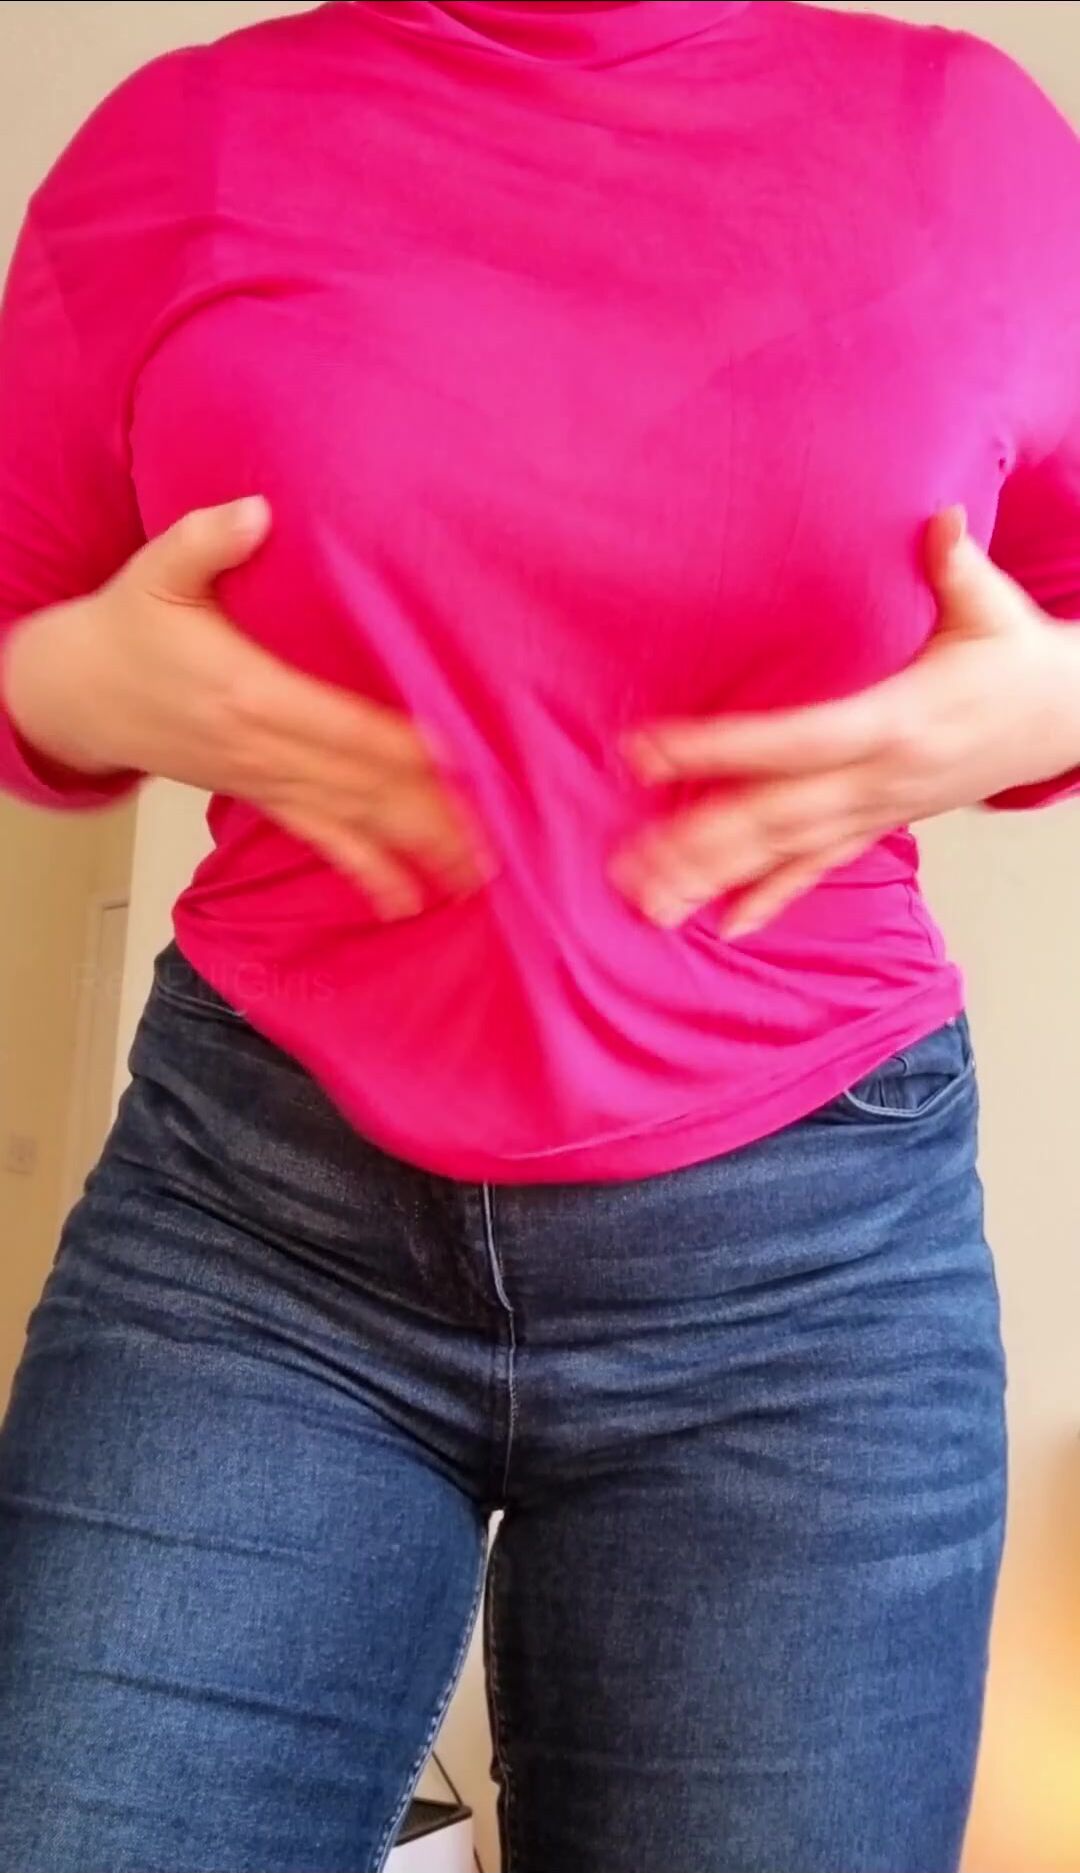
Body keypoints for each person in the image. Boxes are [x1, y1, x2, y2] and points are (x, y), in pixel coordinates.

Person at [0, 3, 1077, 1869]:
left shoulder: (971, 141)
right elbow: (23, 618)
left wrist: (1048, 704)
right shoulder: (186, 140)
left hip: (809, 1272)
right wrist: (71, 680)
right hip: (257, 1229)